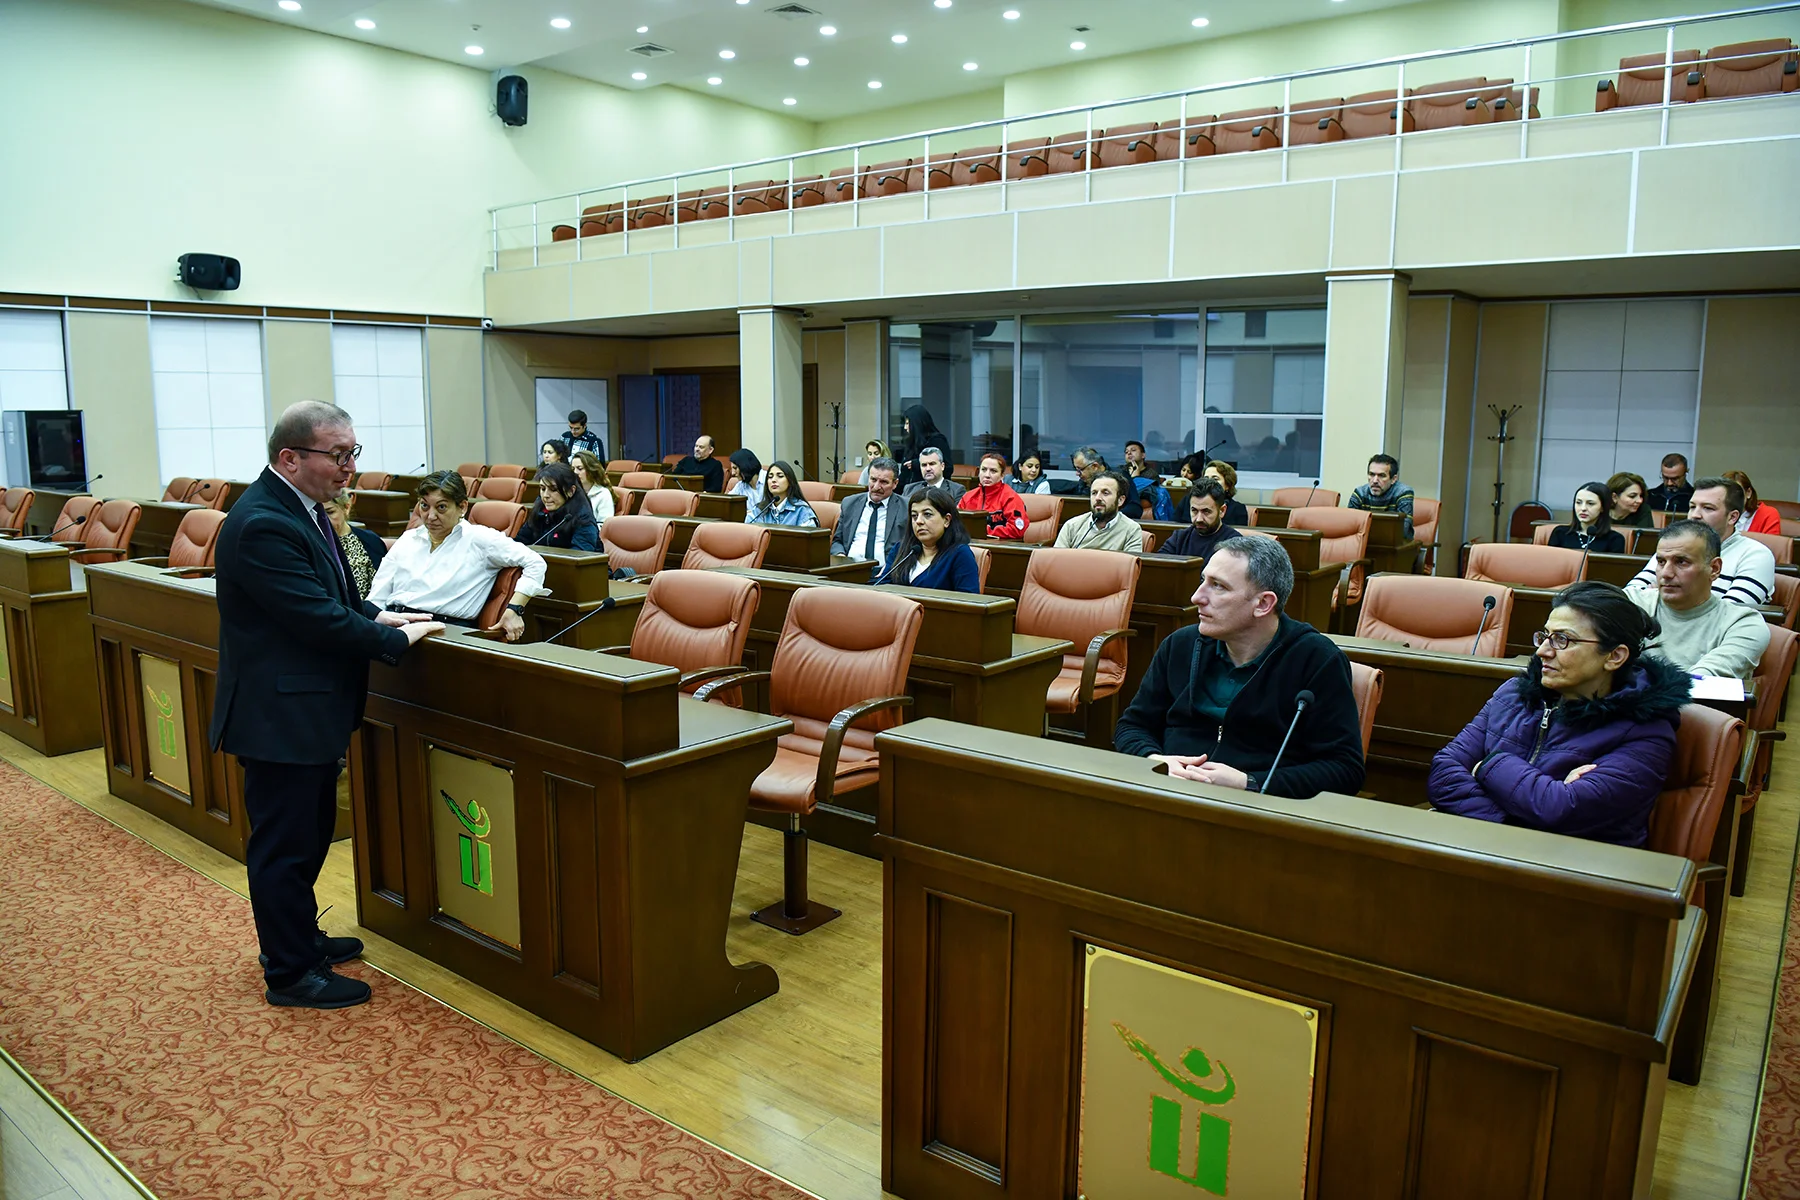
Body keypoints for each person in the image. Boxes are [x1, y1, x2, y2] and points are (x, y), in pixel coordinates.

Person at [211, 401, 445, 1009]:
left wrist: (382, 614)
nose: (350, 468)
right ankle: (289, 973)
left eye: (352, 454)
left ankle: (301, 938)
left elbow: (337, 596)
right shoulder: (264, 521)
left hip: (303, 710)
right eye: (338, 455)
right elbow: (311, 617)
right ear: (290, 458)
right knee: (285, 845)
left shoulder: (303, 510)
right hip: (278, 716)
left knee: (310, 834)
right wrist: (394, 640)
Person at [1427, 581, 1688, 848]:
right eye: (1545, 636)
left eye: (1562, 639)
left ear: (1615, 656)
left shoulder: (1645, 731)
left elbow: (1561, 810)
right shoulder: (1514, 694)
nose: (1542, 651)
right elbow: (1443, 771)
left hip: (1577, 876)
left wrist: (1486, 765)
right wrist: (1513, 824)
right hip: (1491, 851)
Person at [1114, 536, 1365, 798]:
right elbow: (1132, 726)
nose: (1197, 596)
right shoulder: (1180, 645)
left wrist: (1250, 782)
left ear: (1263, 604)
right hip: (1168, 793)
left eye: (1218, 586)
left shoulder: (1316, 660)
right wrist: (1155, 760)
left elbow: (1344, 770)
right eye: (1204, 581)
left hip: (1257, 811)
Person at [368, 470, 548, 637]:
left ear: (462, 507)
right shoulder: (409, 539)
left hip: (442, 632)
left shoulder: (479, 539)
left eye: (441, 508)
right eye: (424, 506)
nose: (430, 516)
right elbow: (378, 595)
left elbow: (535, 563)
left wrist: (515, 609)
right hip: (392, 624)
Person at [1629, 520, 1769, 680]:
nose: (1666, 573)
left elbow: (1697, 683)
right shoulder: (1633, 602)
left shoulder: (1743, 623)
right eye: (1661, 562)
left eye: (1681, 562)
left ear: (1714, 569)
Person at [1626, 476, 1775, 607]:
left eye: (1708, 508)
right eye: (1692, 507)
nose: (1695, 515)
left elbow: (1730, 613)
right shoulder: (1673, 546)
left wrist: (1660, 597)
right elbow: (1629, 596)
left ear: (1732, 517)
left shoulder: (1756, 554)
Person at [876, 487, 981, 593]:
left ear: (946, 520)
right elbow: (881, 588)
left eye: (927, 514)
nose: (919, 521)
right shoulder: (901, 549)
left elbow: (969, 601)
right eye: (914, 516)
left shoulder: (960, 554)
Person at [833, 456, 905, 577]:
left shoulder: (906, 507)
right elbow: (838, 541)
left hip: (887, 573)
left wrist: (890, 568)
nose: (876, 487)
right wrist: (840, 558)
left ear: (895, 484)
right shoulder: (850, 503)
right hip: (849, 569)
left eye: (884, 482)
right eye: (873, 480)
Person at [1054, 470, 1144, 552]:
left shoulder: (1132, 530)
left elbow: (1130, 568)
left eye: (1105, 493)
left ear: (1120, 500)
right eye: (1094, 493)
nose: (1097, 498)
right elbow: (1056, 562)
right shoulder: (1072, 526)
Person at [519, 462, 600, 551]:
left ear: (570, 491)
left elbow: (580, 557)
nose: (546, 495)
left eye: (553, 489)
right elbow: (519, 542)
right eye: (543, 489)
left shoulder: (583, 518)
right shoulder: (540, 511)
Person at [321, 490, 386, 601]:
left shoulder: (370, 540)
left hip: (373, 611)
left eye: (330, 512)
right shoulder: (314, 543)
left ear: (346, 508)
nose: (324, 520)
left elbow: (385, 583)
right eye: (319, 514)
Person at [1157, 480, 1241, 563]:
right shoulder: (1179, 537)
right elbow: (1160, 567)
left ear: (1222, 511)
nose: (1199, 519)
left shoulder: (1234, 543)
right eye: (1194, 511)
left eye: (1206, 511)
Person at [958, 452, 1027, 540]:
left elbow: (1017, 529)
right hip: (970, 545)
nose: (987, 475)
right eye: (984, 470)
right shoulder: (968, 497)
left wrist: (982, 531)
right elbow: (955, 524)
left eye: (993, 471)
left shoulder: (1011, 498)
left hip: (1000, 548)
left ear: (1002, 476)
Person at [1346, 454, 1415, 539]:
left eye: (1381, 476)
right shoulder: (1359, 493)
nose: (1375, 481)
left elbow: (1403, 530)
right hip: (1365, 545)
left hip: (1397, 547)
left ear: (1393, 479)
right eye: (1371, 474)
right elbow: (1348, 527)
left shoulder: (1403, 493)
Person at [1546, 481, 1625, 553]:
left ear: (1603, 507)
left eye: (1590, 504)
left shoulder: (1615, 540)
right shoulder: (1560, 533)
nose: (1583, 508)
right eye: (1578, 502)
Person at [748, 460, 818, 527]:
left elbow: (808, 539)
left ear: (790, 481)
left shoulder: (802, 511)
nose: (774, 480)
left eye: (780, 476)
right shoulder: (759, 509)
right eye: (770, 477)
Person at [898, 405, 949, 488]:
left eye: (908, 423)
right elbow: (904, 474)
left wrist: (917, 464)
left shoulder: (937, 440)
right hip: (908, 491)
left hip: (933, 491)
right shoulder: (911, 443)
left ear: (917, 423)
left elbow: (948, 468)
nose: (905, 427)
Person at [1722, 469, 1784, 535]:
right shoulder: (1716, 514)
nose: (1732, 498)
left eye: (1737, 493)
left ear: (1748, 493)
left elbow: (1771, 544)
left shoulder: (1768, 514)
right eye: (1727, 493)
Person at [568, 449, 615, 528]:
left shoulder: (603, 494)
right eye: (573, 469)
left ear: (591, 470)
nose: (575, 472)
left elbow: (604, 526)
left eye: (580, 468)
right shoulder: (571, 491)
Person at [1203, 460, 1250, 526]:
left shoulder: (1238, 509)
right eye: (1206, 479)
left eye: (1215, 479)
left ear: (1227, 485)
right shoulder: (1188, 502)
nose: (1209, 482)